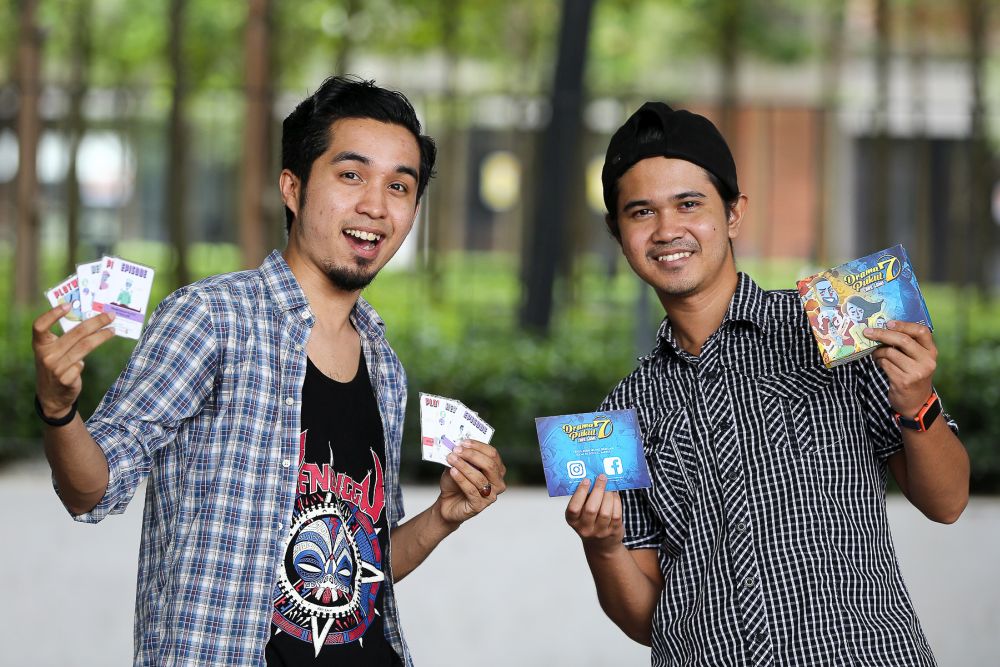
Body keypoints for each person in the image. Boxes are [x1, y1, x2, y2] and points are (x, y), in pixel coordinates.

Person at [32, 76, 507, 667]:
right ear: (292, 186)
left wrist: (442, 518)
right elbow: (91, 491)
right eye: (351, 174)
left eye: (400, 186)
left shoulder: (383, 363)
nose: (375, 206)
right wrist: (58, 408)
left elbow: (364, 570)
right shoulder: (211, 318)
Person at [564, 101, 969, 666]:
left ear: (733, 213)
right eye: (641, 212)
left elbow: (948, 503)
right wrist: (602, 544)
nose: (667, 230)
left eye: (689, 203)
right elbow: (645, 622)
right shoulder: (623, 412)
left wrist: (916, 403)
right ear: (618, 231)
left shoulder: (833, 330)